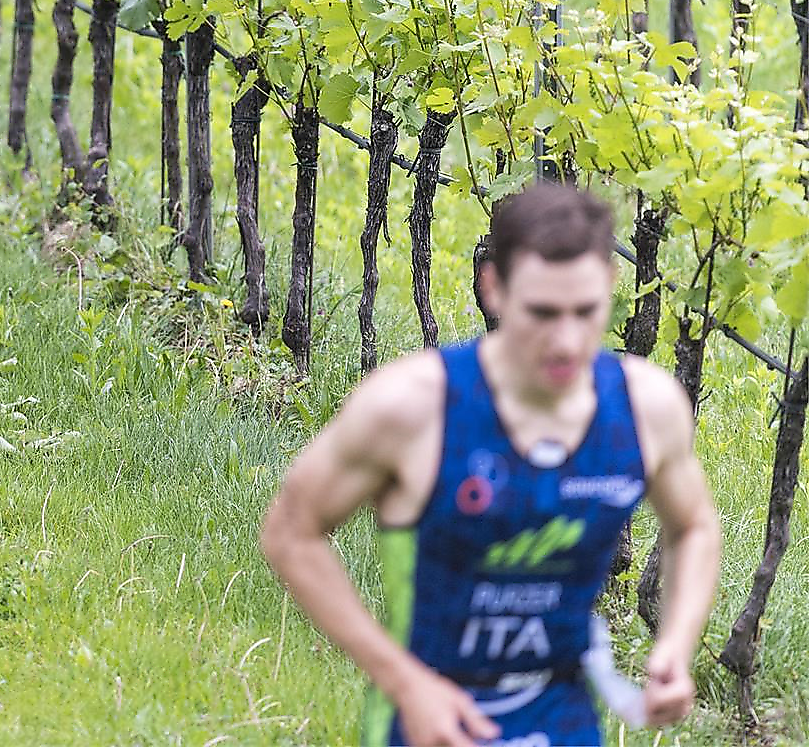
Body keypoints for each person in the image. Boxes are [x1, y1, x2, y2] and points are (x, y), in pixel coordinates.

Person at [259, 181, 721, 747]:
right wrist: (401, 680)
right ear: (494, 287)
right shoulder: (413, 406)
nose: (567, 342)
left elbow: (694, 525)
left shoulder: (645, 408)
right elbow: (290, 530)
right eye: (543, 313)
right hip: (429, 720)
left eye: (586, 311)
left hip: (562, 715)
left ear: (610, 286)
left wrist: (675, 643)